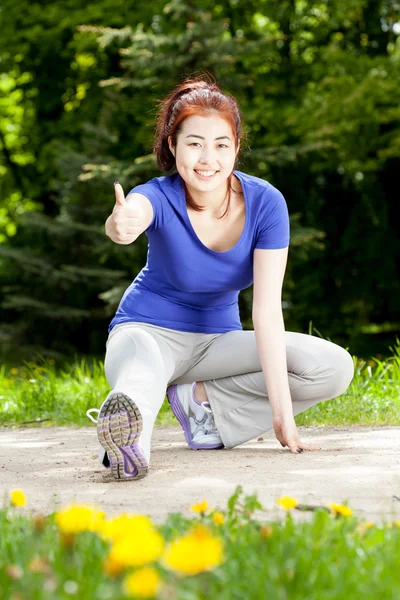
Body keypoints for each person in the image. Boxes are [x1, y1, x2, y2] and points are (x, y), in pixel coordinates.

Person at [87, 76, 354, 481]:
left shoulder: (266, 203)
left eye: (221, 144)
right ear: (173, 145)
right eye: (194, 143)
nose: (207, 158)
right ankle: (129, 445)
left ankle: (199, 405)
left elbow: (265, 312)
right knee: (140, 376)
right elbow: (132, 213)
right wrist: (119, 224)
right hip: (147, 332)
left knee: (332, 366)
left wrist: (283, 418)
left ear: (236, 148)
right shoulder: (157, 195)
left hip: (217, 346)